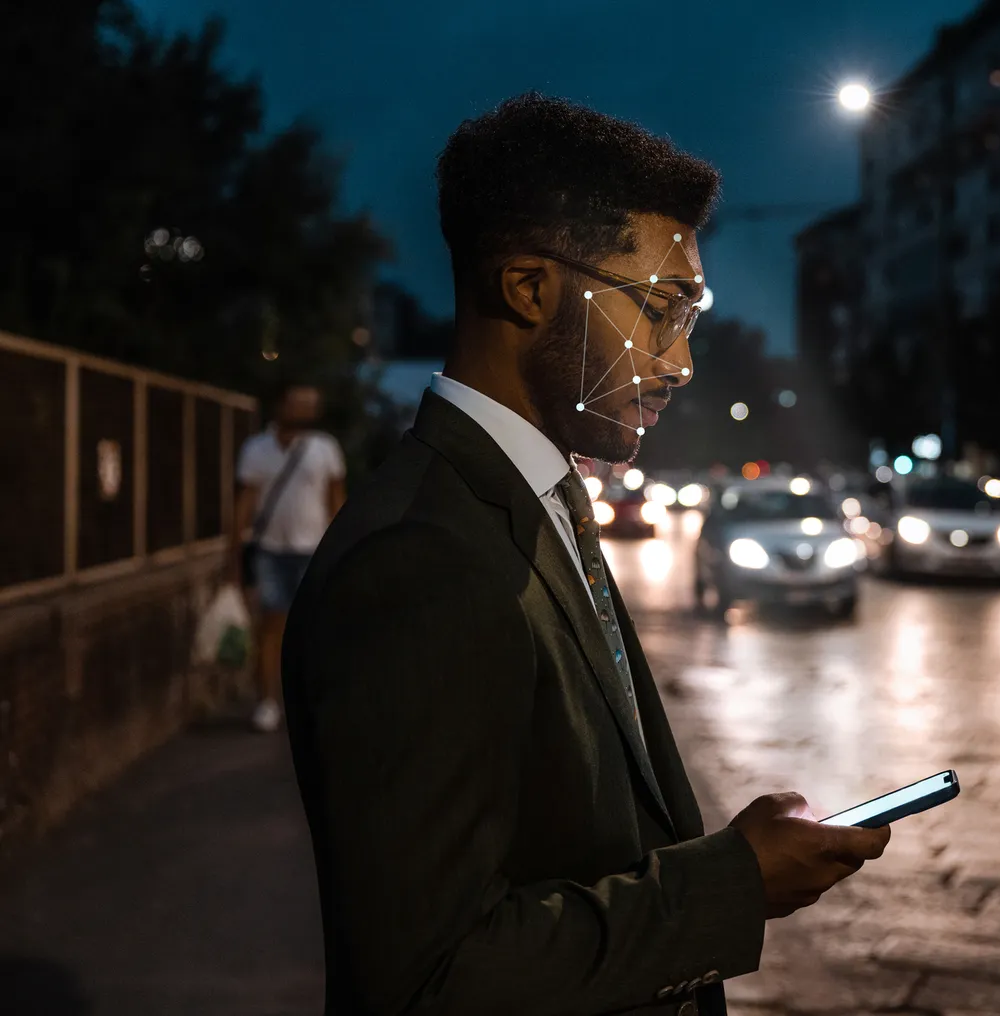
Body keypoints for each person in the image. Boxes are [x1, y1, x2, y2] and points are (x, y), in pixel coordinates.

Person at [280, 93, 891, 1016]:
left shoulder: (536, 497)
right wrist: (730, 887)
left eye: (692, 312)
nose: (680, 359)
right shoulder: (419, 558)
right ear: (528, 288)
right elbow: (426, 979)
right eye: (658, 308)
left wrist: (724, 858)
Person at [231, 382, 345, 733]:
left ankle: (313, 700)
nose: (305, 410)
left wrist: (341, 548)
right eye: (299, 403)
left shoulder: (325, 448)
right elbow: (245, 503)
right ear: (281, 404)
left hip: (314, 550)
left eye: (311, 404)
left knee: (315, 630)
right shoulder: (256, 448)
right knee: (270, 628)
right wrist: (233, 556)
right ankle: (267, 702)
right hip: (270, 550)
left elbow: (336, 500)